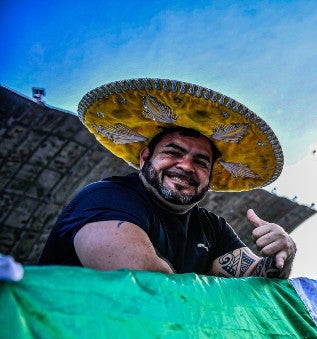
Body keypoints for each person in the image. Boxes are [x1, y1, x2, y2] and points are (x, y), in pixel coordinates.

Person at [38, 78, 296, 278]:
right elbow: (148, 285)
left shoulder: (213, 228)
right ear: (144, 158)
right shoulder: (105, 198)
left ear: (211, 176)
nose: (185, 166)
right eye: (173, 152)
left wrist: (282, 253)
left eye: (200, 161)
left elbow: (256, 284)